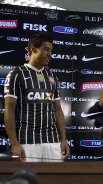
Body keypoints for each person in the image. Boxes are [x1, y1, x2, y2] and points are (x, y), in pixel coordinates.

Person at [4, 32, 70, 162]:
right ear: (33, 49)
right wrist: (14, 143)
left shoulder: (52, 77)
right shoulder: (16, 74)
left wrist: (63, 140)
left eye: (51, 50)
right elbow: (9, 109)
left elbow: (57, 109)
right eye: (46, 49)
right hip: (27, 142)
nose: (50, 54)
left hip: (52, 142)